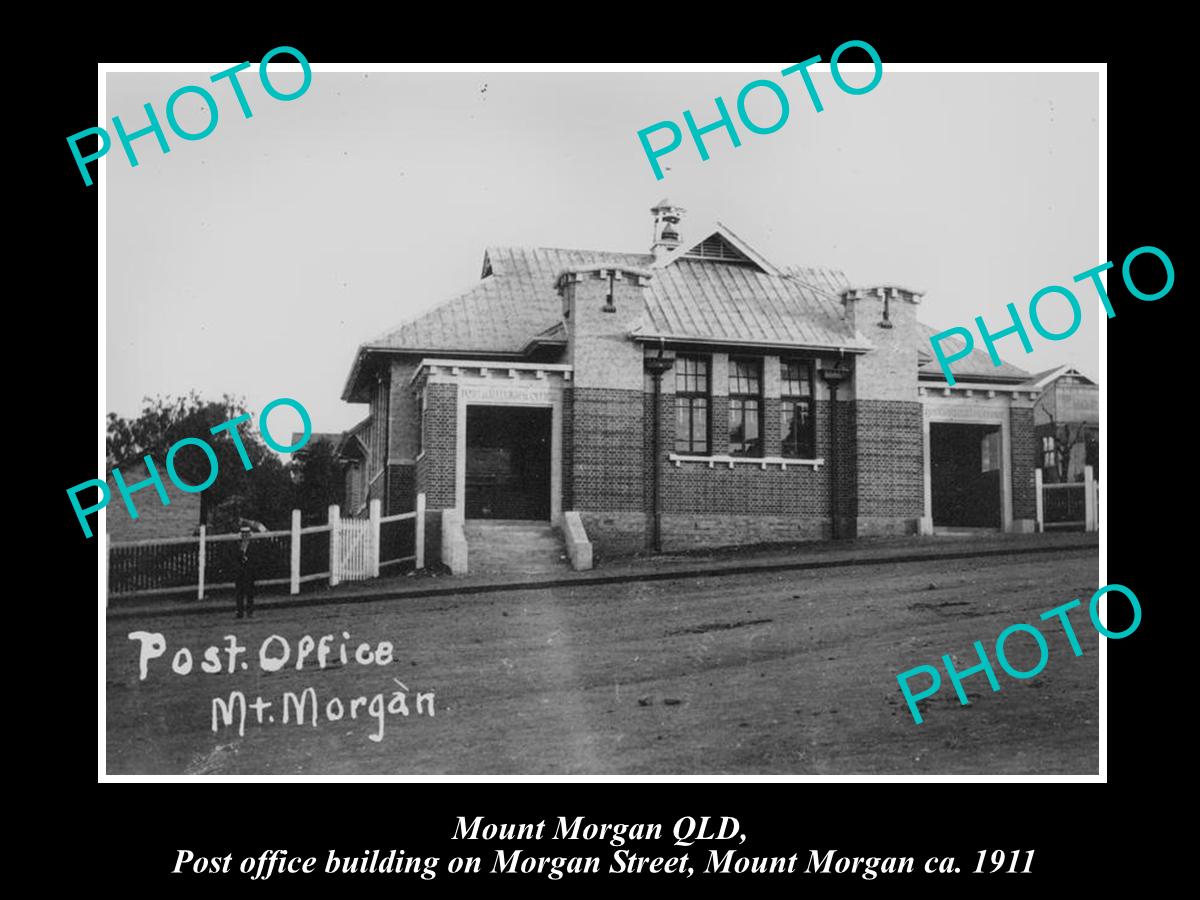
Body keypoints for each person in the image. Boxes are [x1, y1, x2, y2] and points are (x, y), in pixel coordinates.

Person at [234, 526, 256, 619]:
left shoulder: (253, 545)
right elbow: (234, 558)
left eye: (247, 534)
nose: (245, 536)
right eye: (243, 534)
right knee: (239, 592)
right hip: (240, 571)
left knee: (250, 592)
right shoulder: (238, 545)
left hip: (249, 571)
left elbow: (256, 558)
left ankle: (250, 611)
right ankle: (239, 611)